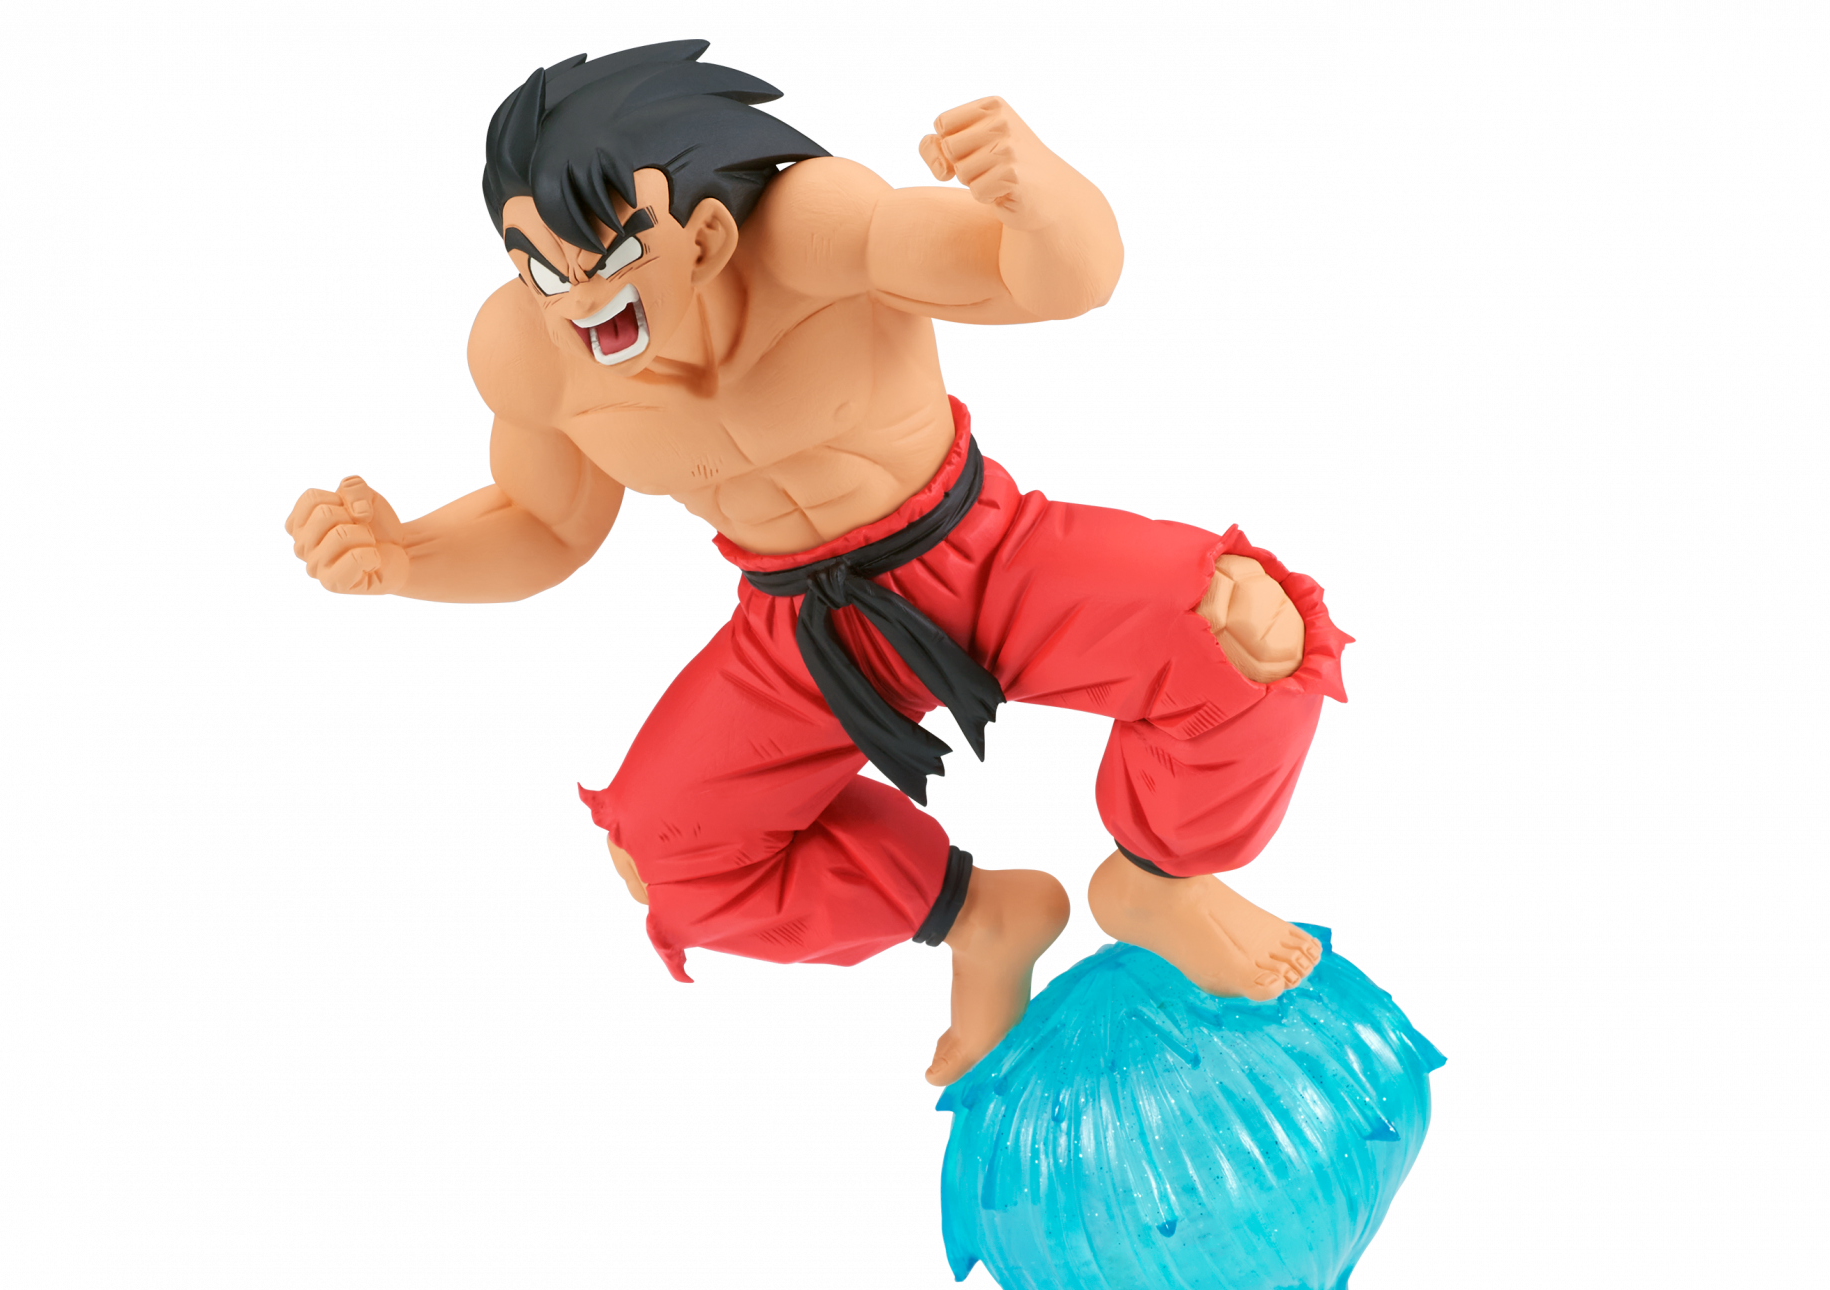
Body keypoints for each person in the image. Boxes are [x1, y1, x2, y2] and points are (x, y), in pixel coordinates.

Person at [283, 42, 1354, 1086]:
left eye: (602, 259)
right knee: (665, 859)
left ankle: (1161, 879)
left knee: (1252, 629)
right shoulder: (527, 350)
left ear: (705, 233)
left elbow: (1050, 279)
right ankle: (983, 919)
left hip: (985, 553)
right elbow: (545, 524)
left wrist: (1037, 196)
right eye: (537, 265)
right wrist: (407, 554)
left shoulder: (814, 227)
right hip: (801, 626)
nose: (574, 302)